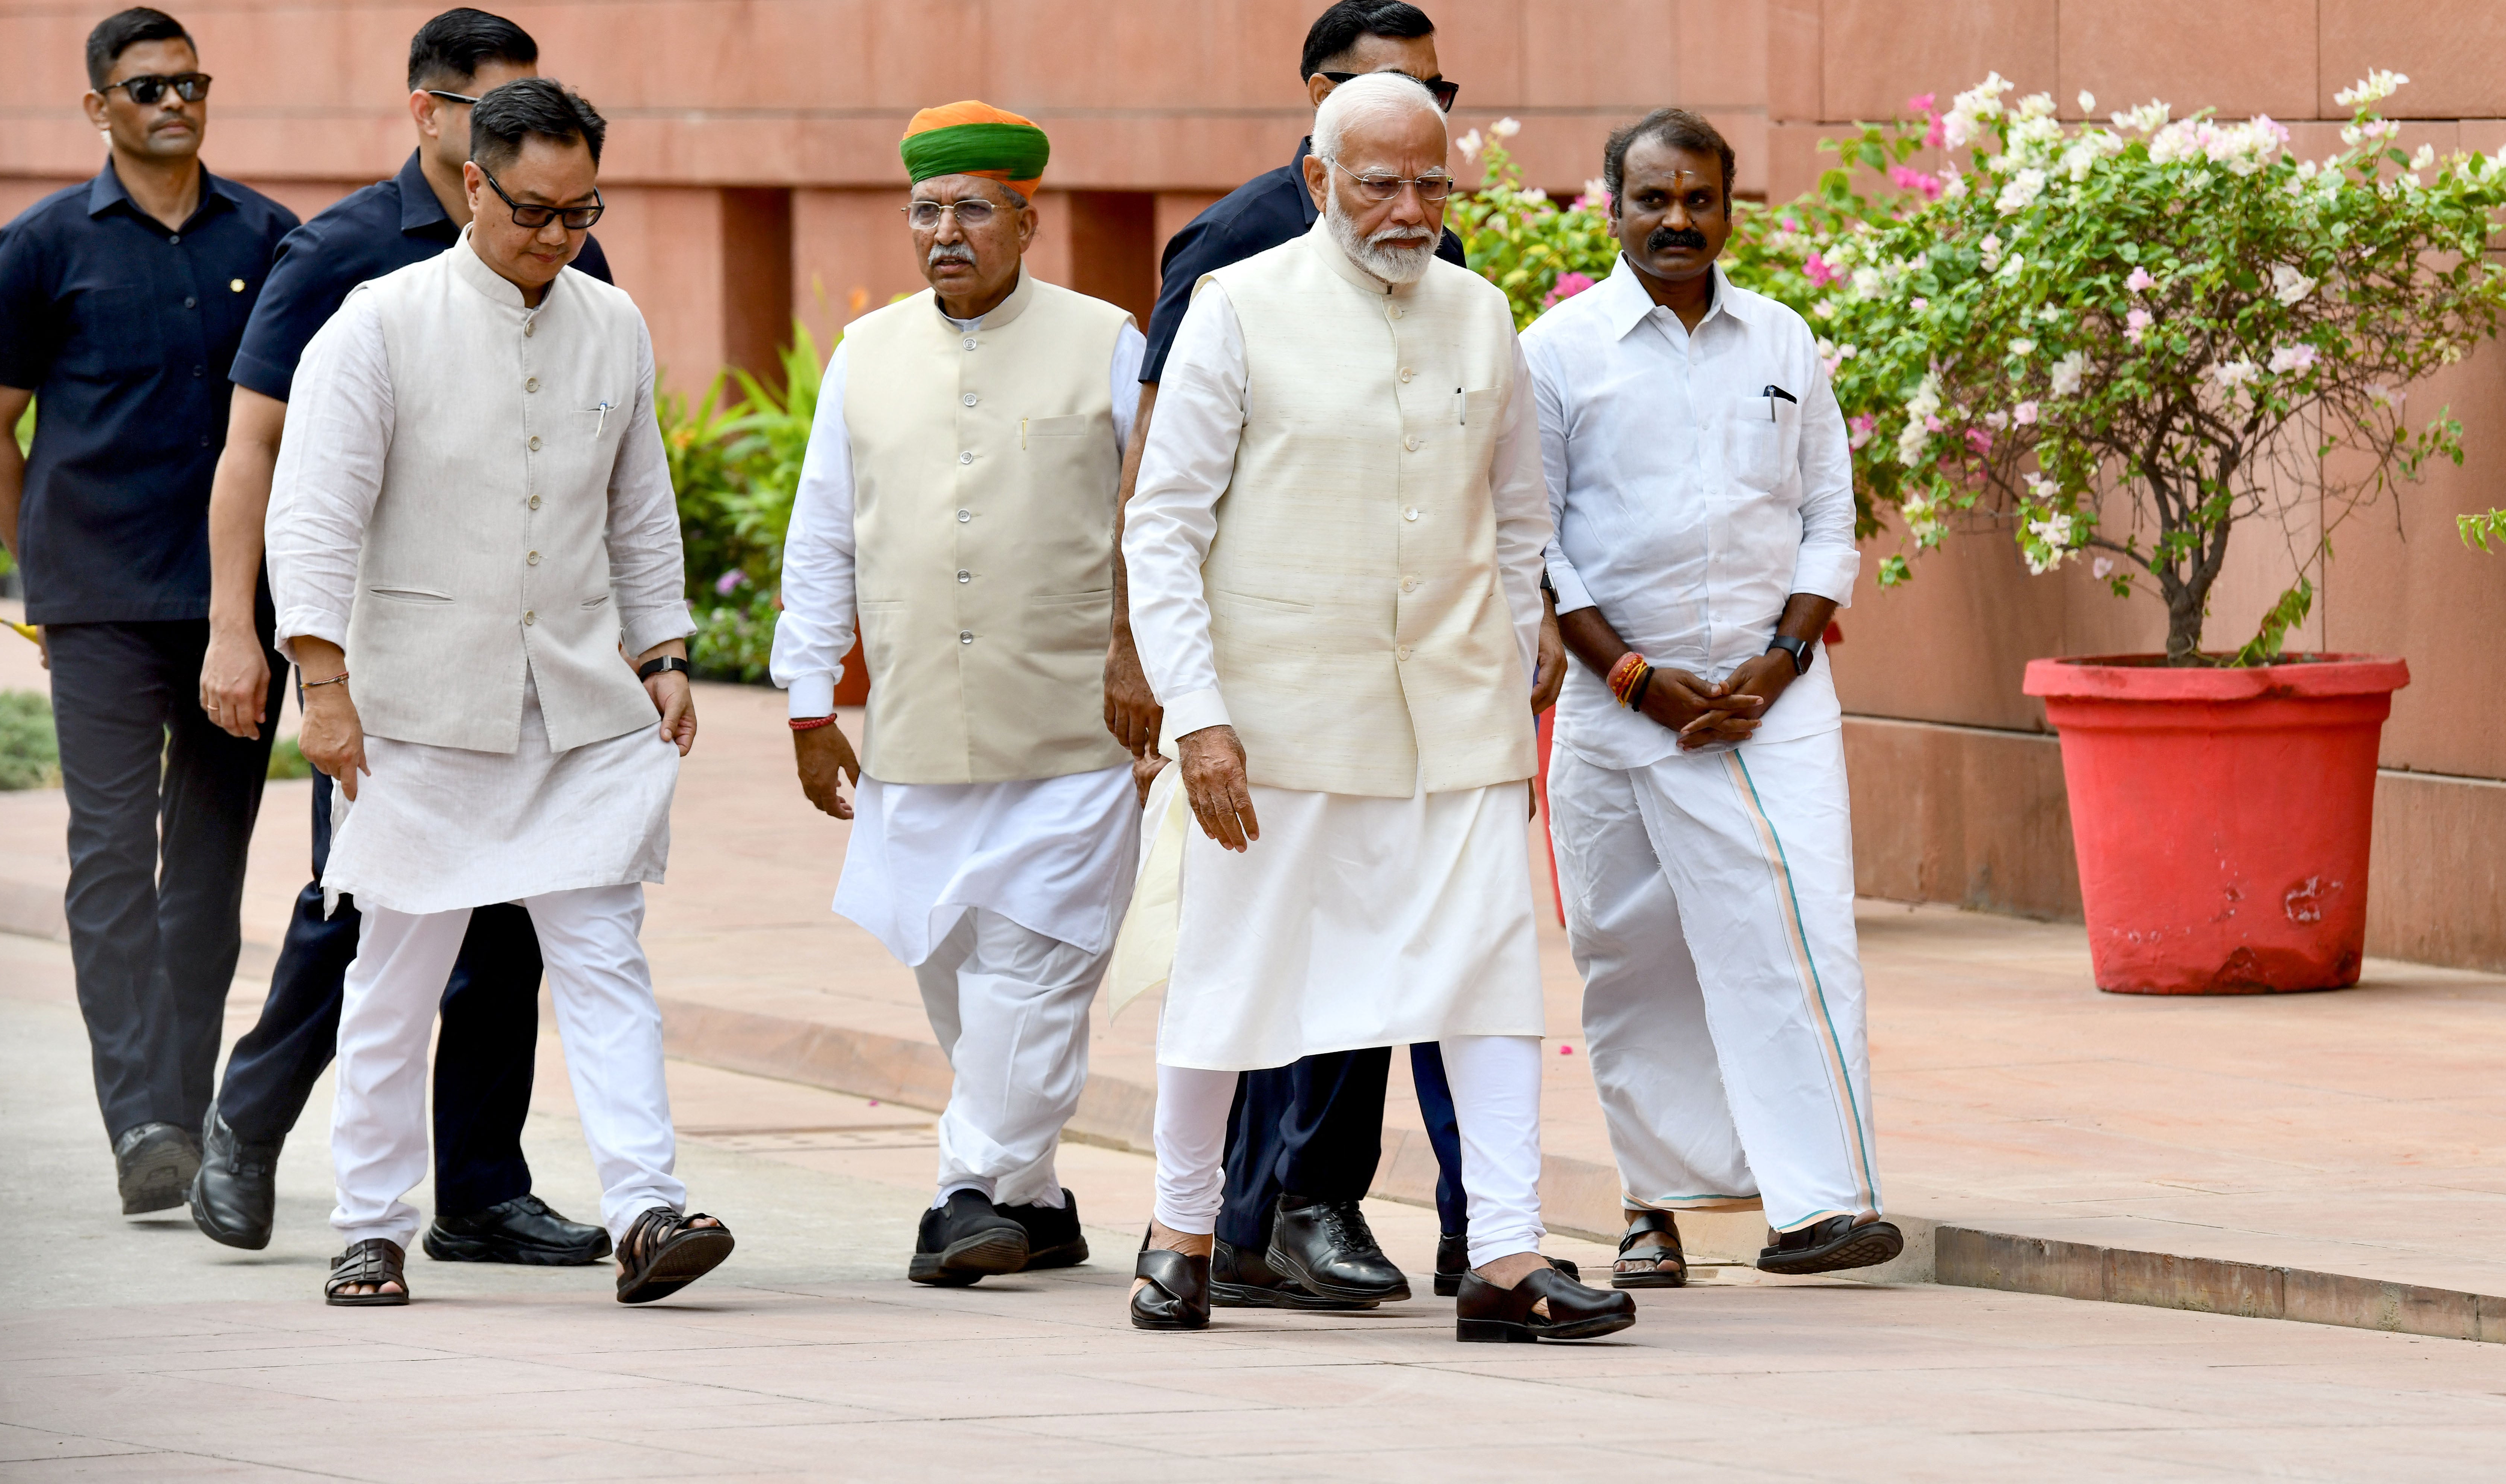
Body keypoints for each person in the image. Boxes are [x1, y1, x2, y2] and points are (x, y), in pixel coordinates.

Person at [1119, 71, 1633, 1343]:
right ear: (1318, 180)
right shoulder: (1238, 309)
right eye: (1379, 183)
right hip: (1275, 722)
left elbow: (1521, 521)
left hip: (1455, 719)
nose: (1408, 209)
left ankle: (1506, 1261)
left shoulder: (1479, 313)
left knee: (1490, 982)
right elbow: (1163, 527)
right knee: (1230, 977)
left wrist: (1510, 669)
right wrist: (1197, 713)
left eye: (1431, 183)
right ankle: (1182, 1235)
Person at [266, 78, 730, 1308]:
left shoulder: (612, 323)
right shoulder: (377, 323)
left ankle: (648, 1211)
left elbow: (640, 509)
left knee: (604, 957)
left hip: (578, 705)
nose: (559, 235)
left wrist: (665, 653)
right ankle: (369, 1224)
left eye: (583, 213)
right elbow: (312, 512)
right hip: (420, 710)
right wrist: (323, 681)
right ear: (472, 181)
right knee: (395, 977)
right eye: (535, 209)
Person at [187, 8, 614, 1266]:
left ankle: (479, 1192)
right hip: (393, 668)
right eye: (493, 115)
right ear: (432, 119)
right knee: (360, 910)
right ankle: (247, 1121)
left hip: (531, 665)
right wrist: (239, 631)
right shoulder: (341, 260)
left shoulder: (570, 254)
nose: (541, 182)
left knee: (509, 928)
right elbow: (257, 447)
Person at [1521, 109, 1902, 1286]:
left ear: (1732, 207)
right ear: (1613, 205)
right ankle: (1656, 1205)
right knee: (1633, 959)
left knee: (1797, 937)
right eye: (1654, 200)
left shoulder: (1784, 342)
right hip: (1612, 706)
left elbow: (1831, 518)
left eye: (1700, 199)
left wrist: (1778, 663)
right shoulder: (1558, 350)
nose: (1678, 220)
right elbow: (1533, 538)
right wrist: (1631, 675)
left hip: (1772, 704)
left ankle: (1821, 1205)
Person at [774, 101, 1145, 1288]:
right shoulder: (864, 354)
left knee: (1035, 978)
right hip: (920, 737)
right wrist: (806, 700)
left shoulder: (1110, 341)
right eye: (927, 211)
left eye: (974, 209)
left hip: (1076, 741)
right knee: (956, 979)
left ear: (1028, 221)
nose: (947, 232)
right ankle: (1034, 1201)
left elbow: (1160, 522)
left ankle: (966, 1192)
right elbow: (822, 531)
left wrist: (1160, 679)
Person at [0, 8, 298, 1217]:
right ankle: (142, 1119)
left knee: (206, 877)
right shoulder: (45, 244)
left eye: (190, 81)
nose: (174, 101)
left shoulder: (270, 238)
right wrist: (44, 569)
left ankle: (179, 1105)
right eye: (146, 85)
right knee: (109, 856)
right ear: (98, 107)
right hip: (98, 606)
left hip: (233, 614)